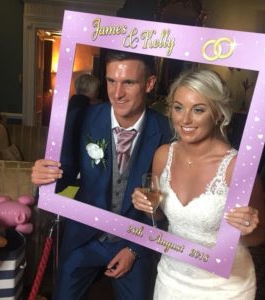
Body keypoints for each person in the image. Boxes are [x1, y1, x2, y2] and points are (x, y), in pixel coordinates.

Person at [31, 50, 173, 300]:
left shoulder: (166, 130)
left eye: (128, 82)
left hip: (133, 240)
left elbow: (169, 207)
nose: (117, 93)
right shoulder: (82, 119)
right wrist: (43, 178)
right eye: (111, 81)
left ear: (149, 83)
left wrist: (135, 249)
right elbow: (62, 176)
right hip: (83, 238)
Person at [132, 69, 265, 299]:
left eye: (198, 109)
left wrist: (248, 227)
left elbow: (259, 236)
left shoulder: (238, 168)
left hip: (224, 286)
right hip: (171, 278)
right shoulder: (163, 155)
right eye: (178, 108)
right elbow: (159, 218)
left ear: (217, 114)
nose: (185, 120)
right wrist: (148, 206)